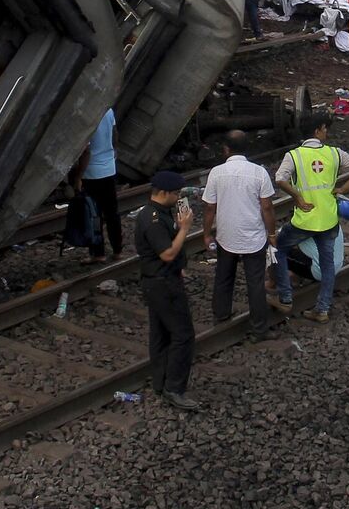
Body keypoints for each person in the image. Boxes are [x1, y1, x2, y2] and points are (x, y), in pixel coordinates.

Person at [273, 117, 349, 323]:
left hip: (304, 220)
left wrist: (296, 196)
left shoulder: (294, 156)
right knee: (327, 264)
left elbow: (279, 178)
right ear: (316, 131)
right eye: (325, 129)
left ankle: (286, 299)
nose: (326, 132)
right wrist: (343, 189)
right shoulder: (334, 153)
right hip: (328, 219)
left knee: (277, 249)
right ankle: (322, 309)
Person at [133, 170, 199, 409]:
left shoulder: (157, 213)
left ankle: (160, 383)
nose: (179, 197)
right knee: (183, 334)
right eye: (176, 193)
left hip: (158, 281)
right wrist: (184, 229)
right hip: (163, 283)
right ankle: (175, 388)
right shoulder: (153, 220)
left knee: (160, 334)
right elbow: (167, 253)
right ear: (163, 193)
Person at [203, 130, 279, 336]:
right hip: (253, 236)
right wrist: (271, 234)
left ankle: (221, 314)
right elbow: (267, 207)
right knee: (255, 282)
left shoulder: (216, 173)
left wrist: (207, 233)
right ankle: (259, 329)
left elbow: (210, 207)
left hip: (226, 235)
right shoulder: (259, 172)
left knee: (224, 276)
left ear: (226, 149)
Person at [69, 107, 121, 264]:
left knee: (94, 214)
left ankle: (98, 253)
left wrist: (78, 177)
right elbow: (115, 135)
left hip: (92, 173)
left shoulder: (87, 115)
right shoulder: (109, 111)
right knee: (112, 213)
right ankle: (118, 251)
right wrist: (113, 153)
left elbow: (86, 151)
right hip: (109, 169)